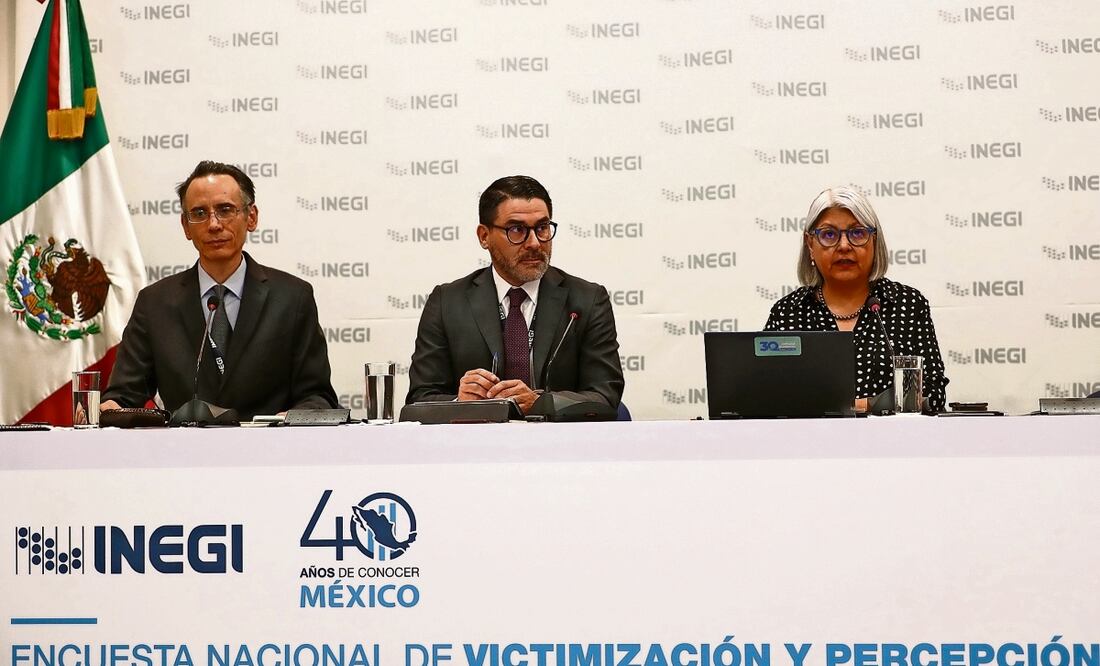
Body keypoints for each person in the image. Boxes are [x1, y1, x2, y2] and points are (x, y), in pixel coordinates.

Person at [101, 160, 339, 419]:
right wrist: (110, 407)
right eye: (199, 213)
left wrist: (284, 422)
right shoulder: (155, 303)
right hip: (183, 452)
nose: (213, 224)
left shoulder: (292, 298)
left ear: (251, 217)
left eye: (225, 210)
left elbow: (318, 397)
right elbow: (123, 395)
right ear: (185, 226)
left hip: (269, 452)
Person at [406, 175, 624, 414]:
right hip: (474, 446)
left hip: (560, 445)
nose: (534, 243)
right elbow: (419, 401)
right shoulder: (447, 302)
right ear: (484, 236)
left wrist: (540, 403)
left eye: (542, 228)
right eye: (517, 230)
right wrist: (460, 403)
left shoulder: (587, 300)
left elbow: (606, 395)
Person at [764, 186, 948, 413]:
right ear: (810, 244)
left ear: (874, 241)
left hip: (893, 444)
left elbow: (934, 393)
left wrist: (861, 406)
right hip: (809, 444)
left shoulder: (908, 305)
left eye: (857, 233)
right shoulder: (788, 312)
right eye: (829, 234)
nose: (843, 246)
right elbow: (767, 395)